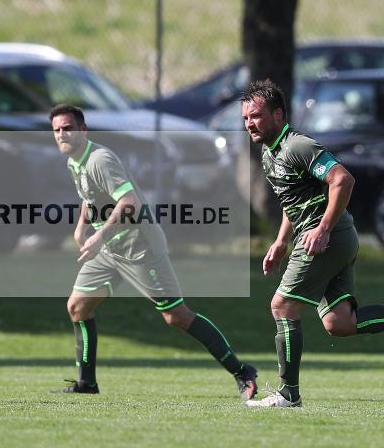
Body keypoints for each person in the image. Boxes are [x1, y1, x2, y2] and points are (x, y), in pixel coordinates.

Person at [240, 79, 384, 408]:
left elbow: (342, 179)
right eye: (245, 119)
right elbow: (291, 199)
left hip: (327, 237)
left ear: (279, 114)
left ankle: (288, 394)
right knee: (340, 323)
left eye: (255, 116)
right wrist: (281, 240)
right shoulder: (270, 154)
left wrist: (323, 228)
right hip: (332, 237)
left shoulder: (297, 146)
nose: (249, 124)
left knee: (282, 306)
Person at [49, 104, 257, 398]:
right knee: (78, 307)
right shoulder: (75, 161)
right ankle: (87, 384)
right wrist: (82, 227)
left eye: (67, 128)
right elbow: (90, 195)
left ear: (83, 130)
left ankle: (241, 371)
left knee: (177, 317)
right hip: (111, 249)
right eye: (56, 130)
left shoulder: (100, 159)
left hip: (139, 246)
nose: (61, 134)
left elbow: (129, 202)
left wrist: (98, 236)